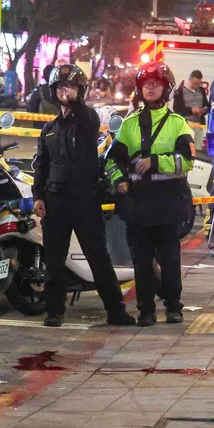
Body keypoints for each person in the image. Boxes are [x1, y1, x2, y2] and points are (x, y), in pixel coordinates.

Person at [32, 64, 134, 327]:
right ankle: (54, 311)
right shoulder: (49, 129)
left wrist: (75, 103)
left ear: (81, 91)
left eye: (72, 87)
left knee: (98, 257)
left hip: (85, 199)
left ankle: (116, 310)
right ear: (53, 91)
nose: (66, 92)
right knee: (54, 260)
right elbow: (40, 166)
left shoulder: (87, 120)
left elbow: (87, 118)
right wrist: (38, 196)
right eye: (62, 87)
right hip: (55, 201)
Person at [105, 61, 193, 326]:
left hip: (167, 202)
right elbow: (111, 160)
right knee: (141, 262)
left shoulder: (178, 124)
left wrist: (154, 162)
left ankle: (173, 307)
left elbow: (186, 161)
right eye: (146, 84)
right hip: (138, 205)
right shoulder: (129, 125)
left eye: (156, 84)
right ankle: (145, 311)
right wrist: (119, 178)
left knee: (169, 259)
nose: (151, 88)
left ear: (166, 89)